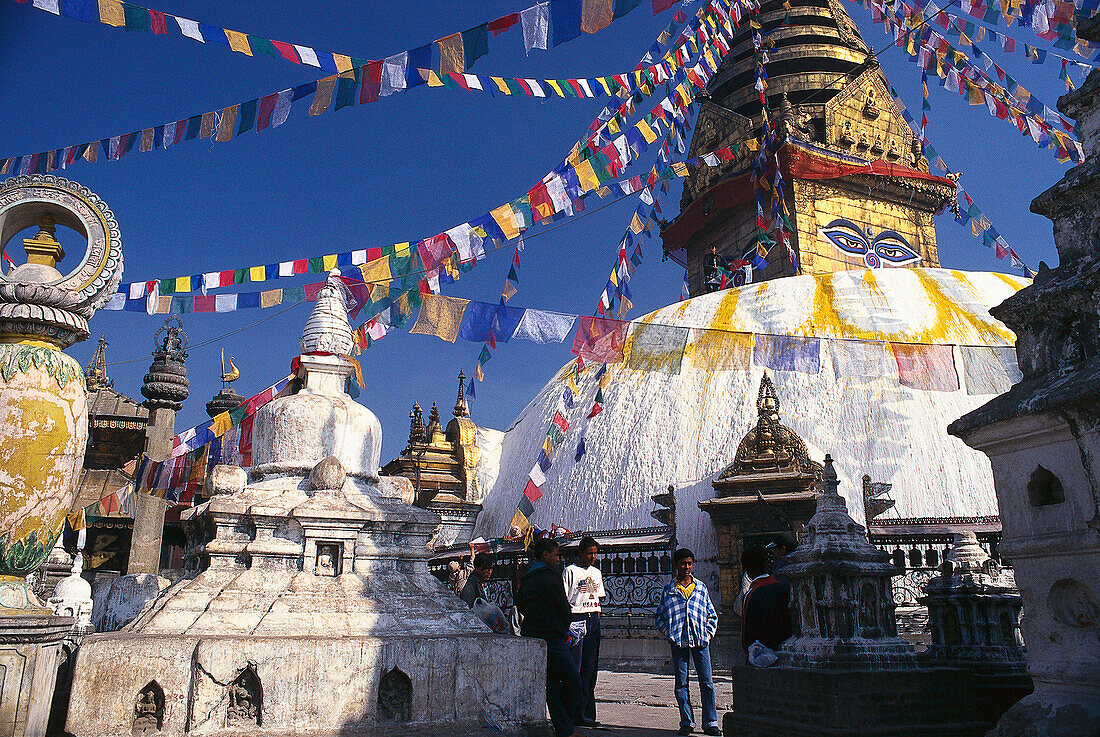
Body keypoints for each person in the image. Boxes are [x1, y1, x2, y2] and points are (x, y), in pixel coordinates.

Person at [516, 538, 584, 737]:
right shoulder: (550, 576)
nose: (558, 558)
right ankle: (566, 726)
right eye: (555, 554)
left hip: (533, 635)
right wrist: (562, 629)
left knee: (552, 684)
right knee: (573, 681)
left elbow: (520, 604)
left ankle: (564, 729)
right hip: (553, 637)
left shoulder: (527, 576)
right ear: (545, 555)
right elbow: (564, 608)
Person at [655, 548, 720, 736]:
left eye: (689, 563)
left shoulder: (700, 588)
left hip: (700, 641)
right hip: (679, 642)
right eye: (683, 563)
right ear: (676, 565)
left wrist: (707, 634)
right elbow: (659, 615)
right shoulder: (669, 590)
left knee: (707, 682)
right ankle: (686, 721)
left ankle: (711, 722)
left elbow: (711, 614)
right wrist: (668, 633)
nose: (686, 567)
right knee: (681, 683)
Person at [563, 537, 605, 728]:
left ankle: (587, 713)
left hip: (593, 618)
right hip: (575, 618)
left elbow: (598, 597)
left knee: (590, 669)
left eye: (595, 553)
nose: (593, 557)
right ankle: (573, 713)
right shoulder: (570, 571)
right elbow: (566, 599)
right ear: (580, 552)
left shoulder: (596, 572)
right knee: (575, 669)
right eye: (589, 553)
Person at [740, 546, 792, 655]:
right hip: (787, 649)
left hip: (763, 653)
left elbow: (747, 634)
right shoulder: (783, 589)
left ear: (745, 569)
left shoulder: (751, 594)